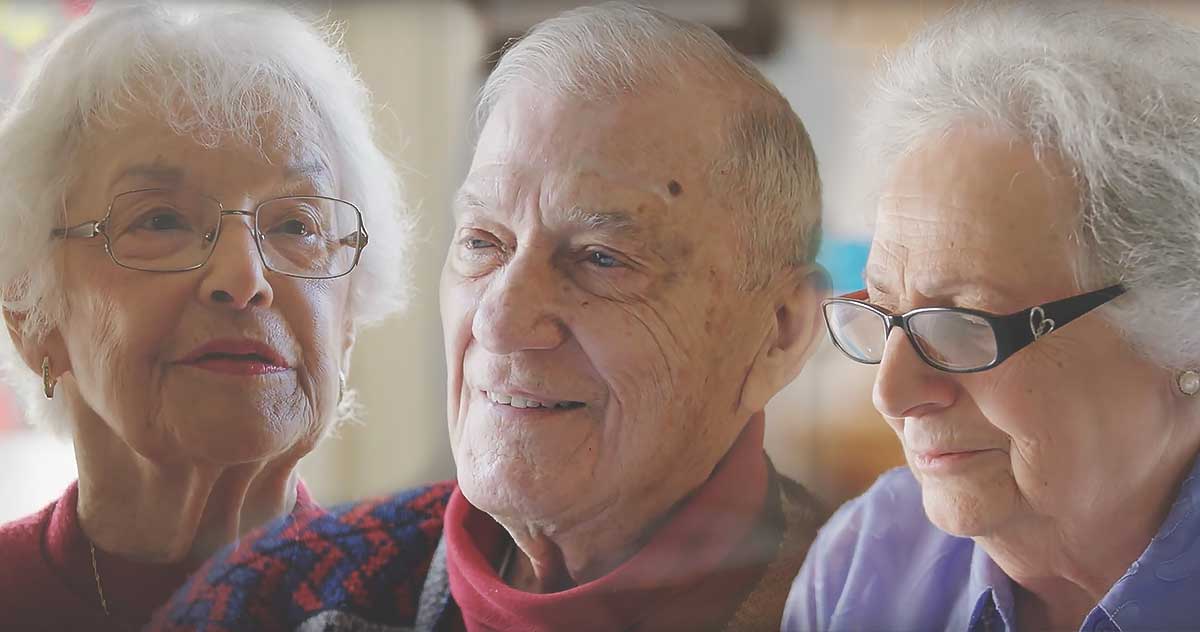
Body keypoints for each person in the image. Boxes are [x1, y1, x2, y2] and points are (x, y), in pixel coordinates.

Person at [152, 3, 828, 631]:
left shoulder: (875, 603)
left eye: (603, 258)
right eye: (483, 242)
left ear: (779, 331)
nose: (500, 321)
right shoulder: (263, 598)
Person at [784, 2, 1200, 630]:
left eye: (963, 324)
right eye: (887, 312)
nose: (890, 395)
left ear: (1183, 337)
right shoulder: (866, 564)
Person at [0, 2, 410, 629]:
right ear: (32, 316)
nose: (245, 281)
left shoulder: (420, 611)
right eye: (161, 220)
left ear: (348, 320)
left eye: (297, 224)